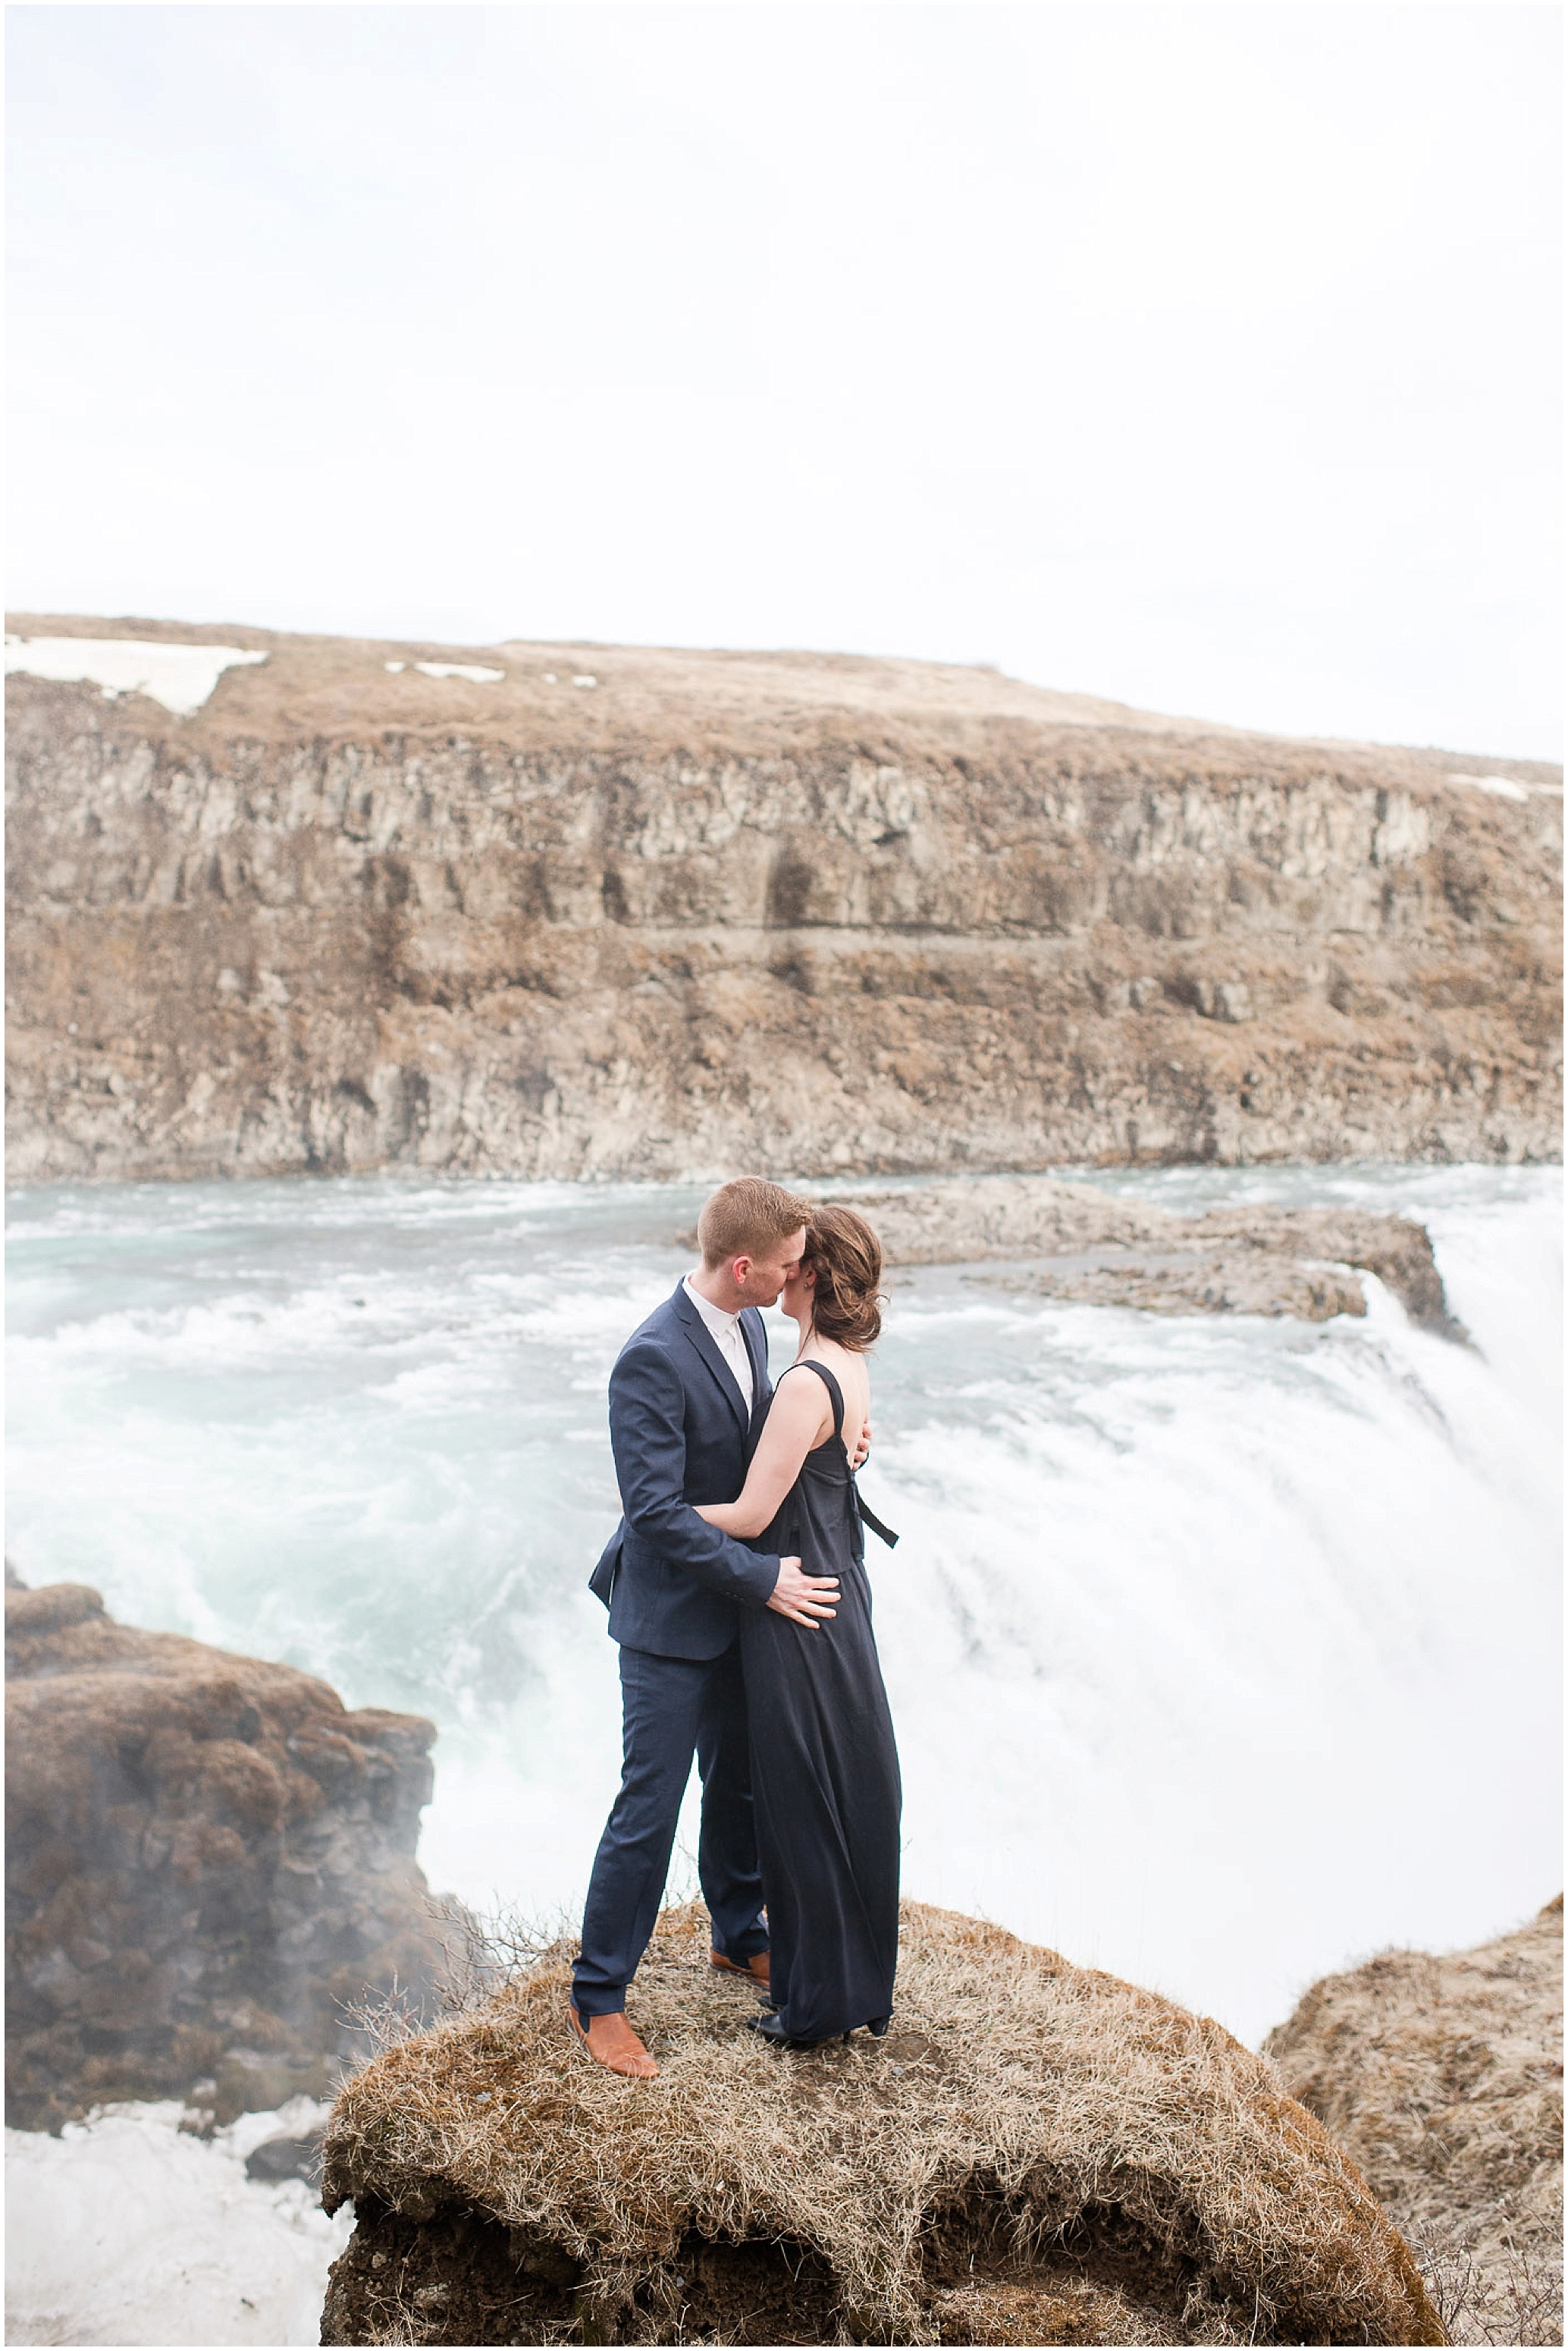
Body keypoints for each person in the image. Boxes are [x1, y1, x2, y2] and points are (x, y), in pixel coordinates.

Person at [569, 1177, 849, 2080]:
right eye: (784, 1264)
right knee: (648, 1807)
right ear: (743, 1266)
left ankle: (737, 1933)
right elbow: (652, 1513)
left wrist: (833, 1430)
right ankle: (599, 1995)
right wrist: (761, 1579)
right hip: (667, 1620)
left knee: (738, 1787)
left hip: (736, 1609)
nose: (795, 1274)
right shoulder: (648, 1356)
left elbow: (753, 1442)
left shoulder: (756, 1323)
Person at [696, 1204, 902, 2048]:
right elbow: (829, 1466)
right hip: (837, 1591)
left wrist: (655, 1513)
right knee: (840, 1788)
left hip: (794, 1605)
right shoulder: (845, 1364)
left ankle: (812, 2003)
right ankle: (836, 1983)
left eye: (791, 1262)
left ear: (813, 1275)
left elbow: (747, 1516)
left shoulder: (802, 1382)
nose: (778, 1272)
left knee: (799, 1801)